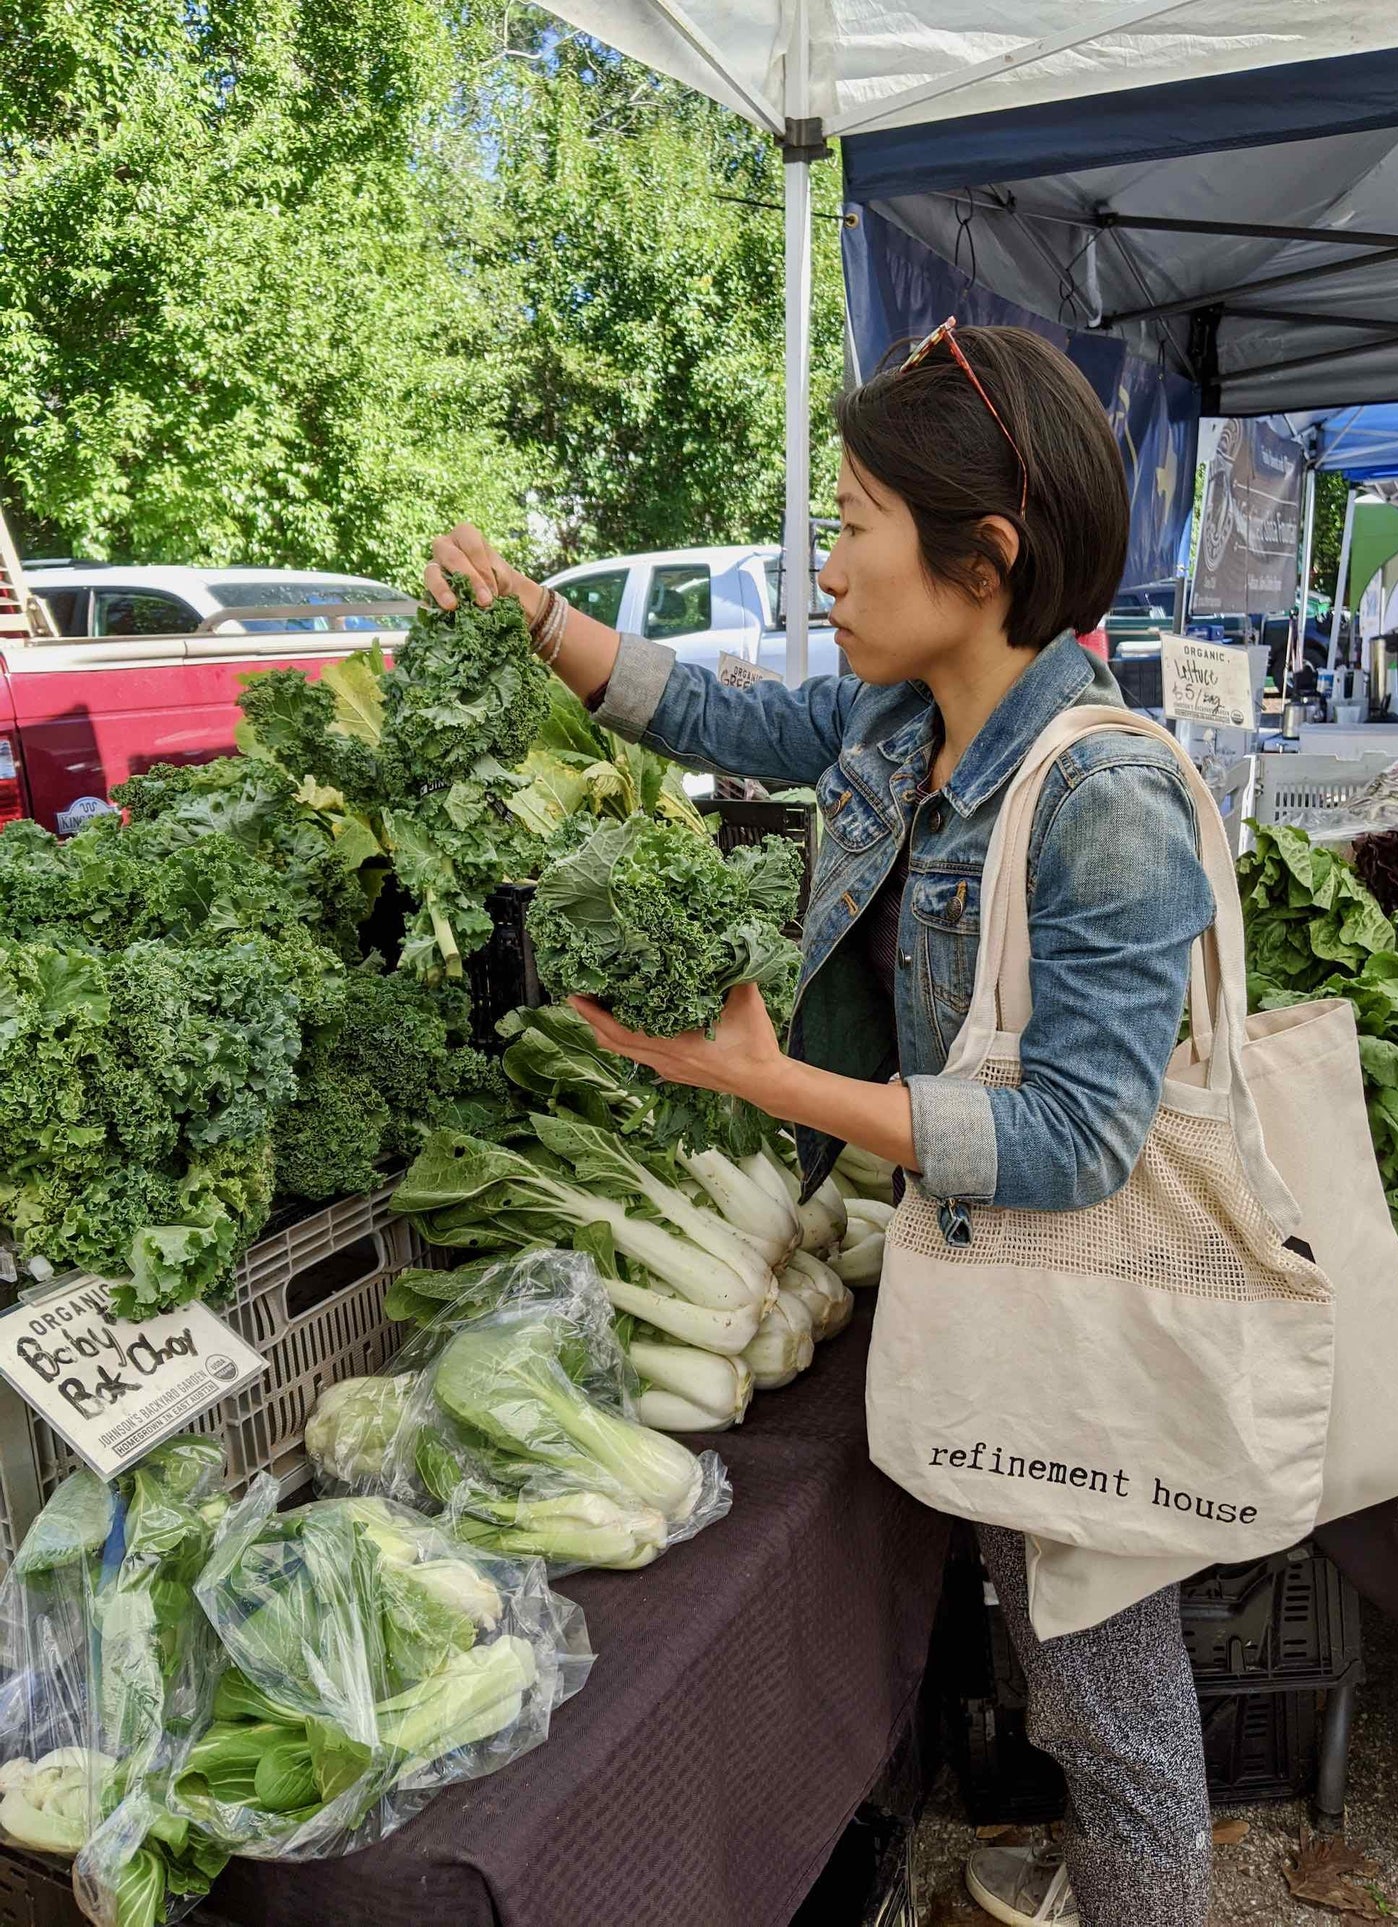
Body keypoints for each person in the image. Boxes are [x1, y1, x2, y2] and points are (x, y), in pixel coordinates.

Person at [426, 320, 1215, 1927]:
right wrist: (536, 622)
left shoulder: (1101, 799)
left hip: (1088, 1310)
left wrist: (764, 1080)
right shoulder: (892, 720)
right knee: (1044, 1632)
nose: (829, 570)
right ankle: (1096, 1868)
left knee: (1110, 1696)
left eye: (852, 523)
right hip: (986, 1284)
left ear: (983, 558)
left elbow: (1075, 1138)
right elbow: (720, 723)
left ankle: (1150, 1895)